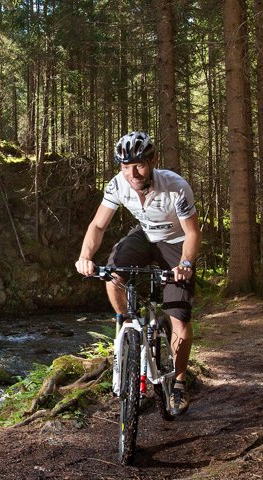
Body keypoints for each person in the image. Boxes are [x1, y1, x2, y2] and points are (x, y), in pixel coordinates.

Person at [75, 131, 201, 416]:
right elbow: (97, 226)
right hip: (144, 236)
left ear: (152, 160)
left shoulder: (175, 186)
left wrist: (186, 265)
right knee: (113, 273)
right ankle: (126, 325)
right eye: (125, 166)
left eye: (139, 165)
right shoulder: (118, 184)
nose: (132, 173)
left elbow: (193, 232)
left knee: (178, 315)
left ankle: (179, 382)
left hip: (175, 243)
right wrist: (85, 256)